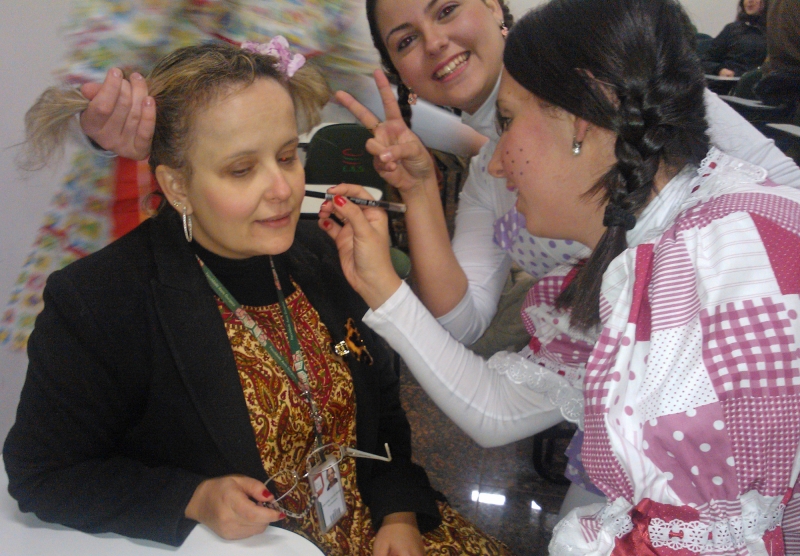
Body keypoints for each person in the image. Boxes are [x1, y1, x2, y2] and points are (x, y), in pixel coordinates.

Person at [321, 0, 800, 553]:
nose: (494, 161)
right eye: (405, 40)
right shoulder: (623, 258)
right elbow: (496, 403)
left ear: (582, 115)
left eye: (506, 123)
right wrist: (385, 280)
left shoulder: (728, 259)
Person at [2, 42, 513, 556]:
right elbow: (43, 475)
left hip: (376, 524)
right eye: (242, 169)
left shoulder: (325, 255)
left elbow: (381, 407)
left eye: (288, 157)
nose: (283, 189)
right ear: (177, 185)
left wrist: (399, 512)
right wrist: (193, 498)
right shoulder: (102, 301)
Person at [0, 0, 484, 353]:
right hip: (132, 215)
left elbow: (360, 89)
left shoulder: (318, 6)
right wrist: (102, 127)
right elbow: (78, 98)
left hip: (235, 236)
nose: (284, 188)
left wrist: (482, 145)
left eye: (290, 155)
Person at [701, 0, 767, 78]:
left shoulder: (773, 32)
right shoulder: (732, 29)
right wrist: (719, 70)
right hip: (730, 81)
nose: (749, 1)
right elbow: (705, 61)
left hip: (760, 81)